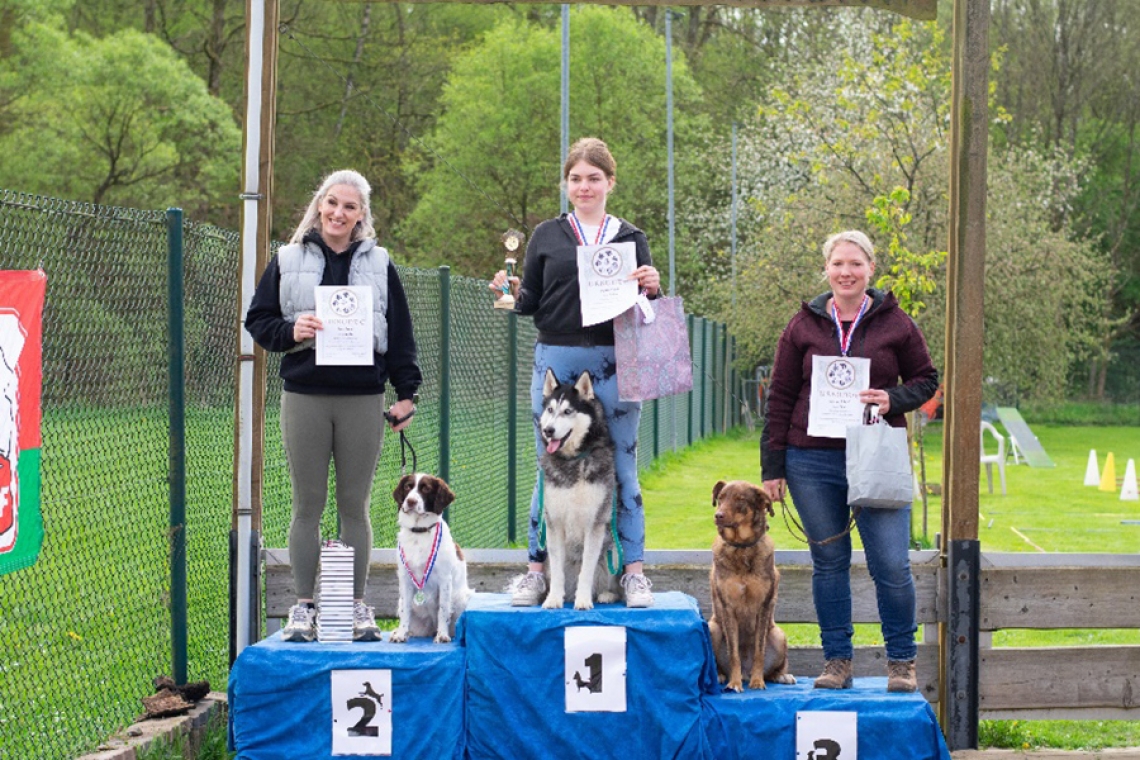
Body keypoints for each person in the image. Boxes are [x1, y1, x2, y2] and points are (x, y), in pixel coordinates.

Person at [246, 169, 422, 642]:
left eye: (349, 206)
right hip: (305, 395)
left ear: (362, 214)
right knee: (308, 503)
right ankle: (303, 607)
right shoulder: (286, 259)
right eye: (331, 203)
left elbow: (401, 335)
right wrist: (290, 331)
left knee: (353, 504)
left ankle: (356, 605)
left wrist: (407, 394)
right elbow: (258, 320)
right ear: (319, 205)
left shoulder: (380, 263)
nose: (338, 213)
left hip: (363, 397)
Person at [760, 230, 938, 693]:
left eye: (855, 264)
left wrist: (891, 398)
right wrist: (772, 468)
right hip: (811, 461)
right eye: (838, 264)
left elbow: (926, 380)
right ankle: (837, 661)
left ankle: (901, 662)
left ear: (870, 269)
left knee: (891, 564)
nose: (846, 272)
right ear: (827, 269)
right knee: (829, 562)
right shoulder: (802, 326)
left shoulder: (897, 323)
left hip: (876, 454)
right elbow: (780, 396)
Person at [490, 137, 661, 608]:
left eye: (593, 178)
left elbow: (648, 308)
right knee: (549, 465)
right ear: (567, 184)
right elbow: (529, 304)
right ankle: (536, 571)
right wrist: (509, 289)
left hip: (616, 361)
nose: (584, 186)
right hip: (557, 359)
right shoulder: (547, 234)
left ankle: (634, 572)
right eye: (575, 178)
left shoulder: (631, 237)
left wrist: (653, 286)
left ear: (610, 182)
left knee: (623, 468)